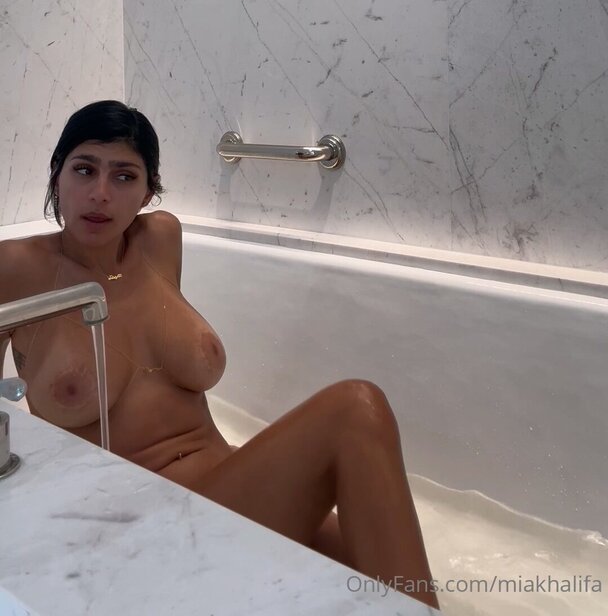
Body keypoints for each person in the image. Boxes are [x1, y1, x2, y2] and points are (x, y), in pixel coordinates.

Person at [0, 100, 439, 609]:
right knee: (355, 411)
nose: (100, 193)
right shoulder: (16, 269)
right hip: (139, 525)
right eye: (84, 169)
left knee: (381, 581)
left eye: (124, 176)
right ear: (57, 175)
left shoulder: (161, 238)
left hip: (230, 487)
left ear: (148, 192)